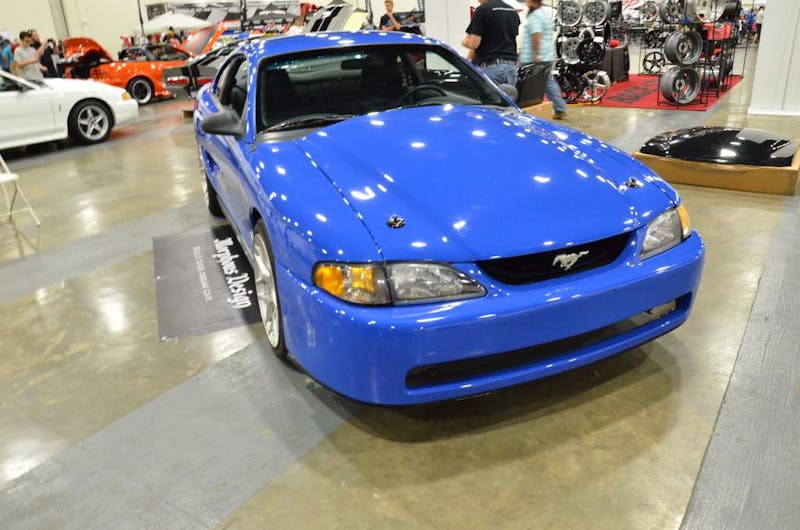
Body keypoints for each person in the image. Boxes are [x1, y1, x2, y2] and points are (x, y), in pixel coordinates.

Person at [519, 0, 567, 119]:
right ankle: (560, 108)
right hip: (546, 55)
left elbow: (536, 35)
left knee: (524, 83)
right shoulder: (543, 14)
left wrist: (536, 54)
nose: (526, 2)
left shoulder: (535, 16)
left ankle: (524, 109)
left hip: (533, 56)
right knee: (549, 82)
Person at [461, 0, 520, 86]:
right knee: (507, 98)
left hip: (490, 67)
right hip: (512, 67)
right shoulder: (512, 11)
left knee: (489, 99)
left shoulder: (482, 10)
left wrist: (464, 42)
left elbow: (474, 44)